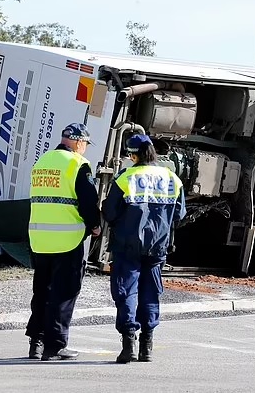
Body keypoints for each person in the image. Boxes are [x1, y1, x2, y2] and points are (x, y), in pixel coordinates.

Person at [102, 134, 186, 363]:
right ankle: (147, 346)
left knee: (127, 291)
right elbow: (179, 214)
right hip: (158, 247)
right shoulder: (172, 178)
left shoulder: (126, 178)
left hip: (127, 245)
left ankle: (129, 343)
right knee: (150, 293)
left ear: (133, 155)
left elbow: (109, 212)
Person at [25, 123, 101, 361]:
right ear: (79, 142)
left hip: (39, 239)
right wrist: (95, 225)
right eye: (86, 144)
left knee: (41, 292)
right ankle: (55, 346)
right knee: (64, 292)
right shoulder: (77, 164)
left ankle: (36, 343)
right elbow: (88, 199)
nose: (85, 149)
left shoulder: (43, 162)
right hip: (67, 239)